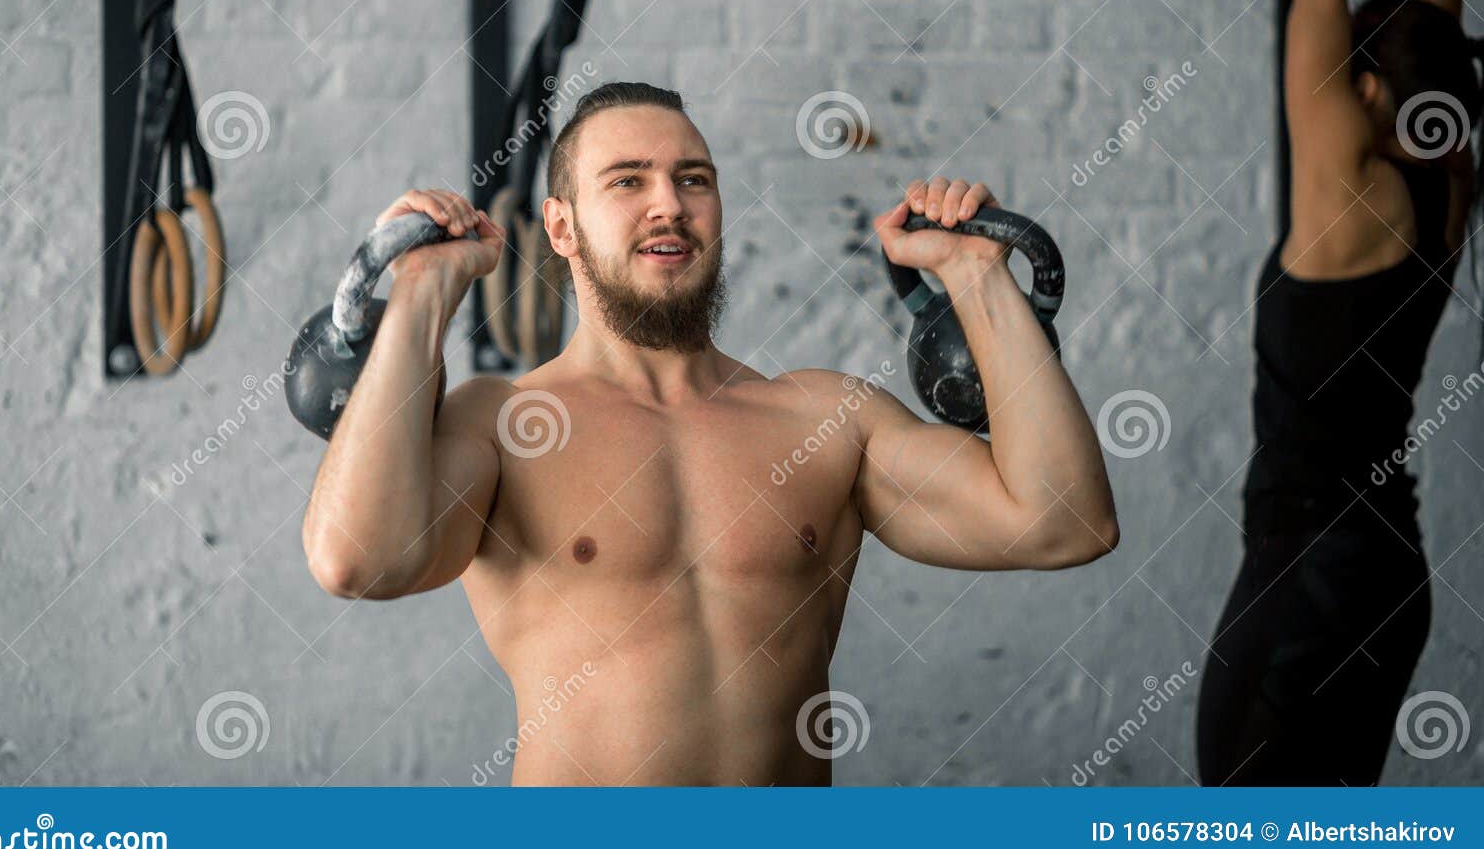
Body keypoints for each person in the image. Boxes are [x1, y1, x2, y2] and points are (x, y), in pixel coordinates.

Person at [301, 81, 1118, 785]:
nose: (669, 203)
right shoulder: (502, 424)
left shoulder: (826, 419)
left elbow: (1063, 523)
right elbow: (358, 559)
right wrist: (418, 292)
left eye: (693, 178)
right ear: (560, 226)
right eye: (628, 180)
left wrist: (976, 276)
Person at [1197, 0, 1481, 786]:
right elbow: (1432, 28)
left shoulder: (1345, 194)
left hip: (1315, 567)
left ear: (1365, 89)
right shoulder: (1443, 180)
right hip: (1374, 572)